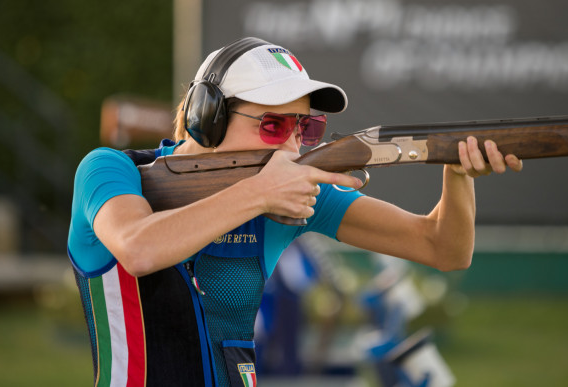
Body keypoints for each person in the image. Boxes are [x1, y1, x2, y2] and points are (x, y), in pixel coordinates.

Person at [68, 37, 522, 387]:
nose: (292, 144)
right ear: (208, 118)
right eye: (273, 124)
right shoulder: (111, 170)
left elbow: (441, 248)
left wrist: (458, 174)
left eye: (305, 126)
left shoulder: (288, 193)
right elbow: (139, 248)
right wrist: (260, 194)